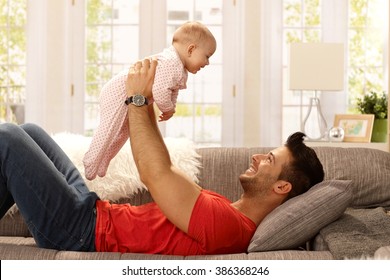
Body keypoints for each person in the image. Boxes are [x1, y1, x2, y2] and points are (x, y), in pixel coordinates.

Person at [0, 59, 324, 255]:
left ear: (282, 187)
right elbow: (164, 165)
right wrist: (151, 102)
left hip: (79, 231)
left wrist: (137, 98)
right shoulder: (226, 211)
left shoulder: (229, 227)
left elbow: (154, 174)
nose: (257, 157)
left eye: (269, 159)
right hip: (93, 210)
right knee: (31, 130)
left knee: (8, 137)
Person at [83, 21, 217, 180]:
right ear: (191, 49)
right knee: (109, 128)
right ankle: (90, 161)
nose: (207, 63)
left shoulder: (180, 69)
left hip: (131, 95)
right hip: (117, 92)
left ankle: (104, 160)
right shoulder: (170, 62)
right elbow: (160, 90)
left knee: (124, 132)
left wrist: (171, 107)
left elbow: (172, 90)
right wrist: (167, 108)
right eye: (207, 56)